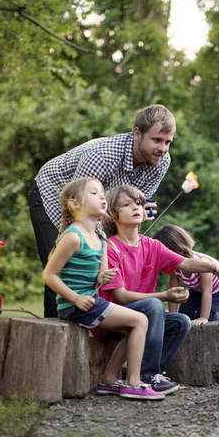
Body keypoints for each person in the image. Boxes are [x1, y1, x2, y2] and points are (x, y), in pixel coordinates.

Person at [30, 104, 175, 318]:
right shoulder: (102, 156)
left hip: (98, 205)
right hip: (55, 192)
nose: (162, 149)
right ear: (137, 133)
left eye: (167, 142)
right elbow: (82, 208)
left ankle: (96, 326)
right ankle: (57, 332)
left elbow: (132, 206)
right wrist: (101, 243)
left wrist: (137, 213)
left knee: (100, 267)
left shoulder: (161, 162)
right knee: (65, 268)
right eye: (156, 140)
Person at [99, 185, 219, 393]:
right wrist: (163, 296)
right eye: (126, 205)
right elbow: (121, 297)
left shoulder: (152, 245)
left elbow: (186, 263)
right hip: (114, 315)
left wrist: (212, 266)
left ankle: (150, 372)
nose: (135, 208)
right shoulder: (110, 248)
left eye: (139, 204)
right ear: (113, 216)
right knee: (154, 305)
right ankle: (147, 376)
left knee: (181, 321)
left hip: (142, 315)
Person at [42, 177, 164, 400]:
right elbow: (49, 275)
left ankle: (109, 380)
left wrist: (103, 276)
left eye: (102, 193)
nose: (102, 197)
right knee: (140, 320)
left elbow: (99, 277)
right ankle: (133, 383)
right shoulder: (72, 236)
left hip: (90, 302)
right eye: (94, 193)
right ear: (74, 204)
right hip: (74, 305)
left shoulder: (100, 237)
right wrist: (76, 298)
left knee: (133, 328)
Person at [153, 224, 219, 325]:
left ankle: (218, 314)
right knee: (184, 313)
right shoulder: (174, 267)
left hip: (218, 289)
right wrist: (173, 316)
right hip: (197, 289)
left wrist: (203, 317)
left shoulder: (201, 263)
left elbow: (207, 291)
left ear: (179, 250)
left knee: (205, 317)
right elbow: (173, 292)